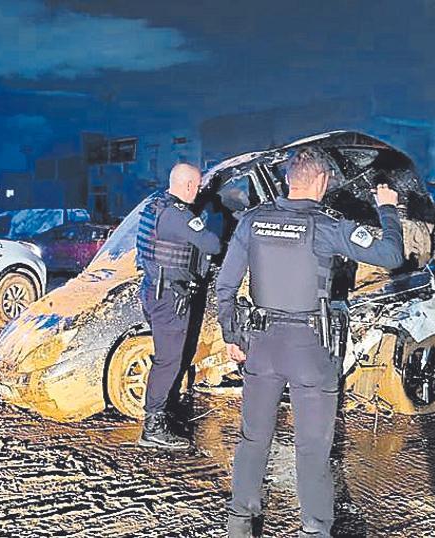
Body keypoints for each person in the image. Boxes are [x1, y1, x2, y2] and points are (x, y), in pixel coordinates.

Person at [215, 148, 406, 537]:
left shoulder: (252, 220)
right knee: (312, 448)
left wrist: (233, 335)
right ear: (320, 181)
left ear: (289, 179)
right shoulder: (326, 225)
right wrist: (387, 208)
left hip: (262, 345)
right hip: (310, 349)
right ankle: (315, 529)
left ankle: (240, 524)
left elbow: (226, 286)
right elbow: (392, 255)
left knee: (253, 438)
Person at [135, 162, 222, 450]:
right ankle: (153, 427)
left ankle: (164, 413)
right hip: (169, 297)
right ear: (187, 186)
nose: (197, 192)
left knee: (172, 357)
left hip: (155, 290)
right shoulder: (177, 215)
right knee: (168, 360)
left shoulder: (155, 206)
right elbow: (211, 245)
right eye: (196, 187)